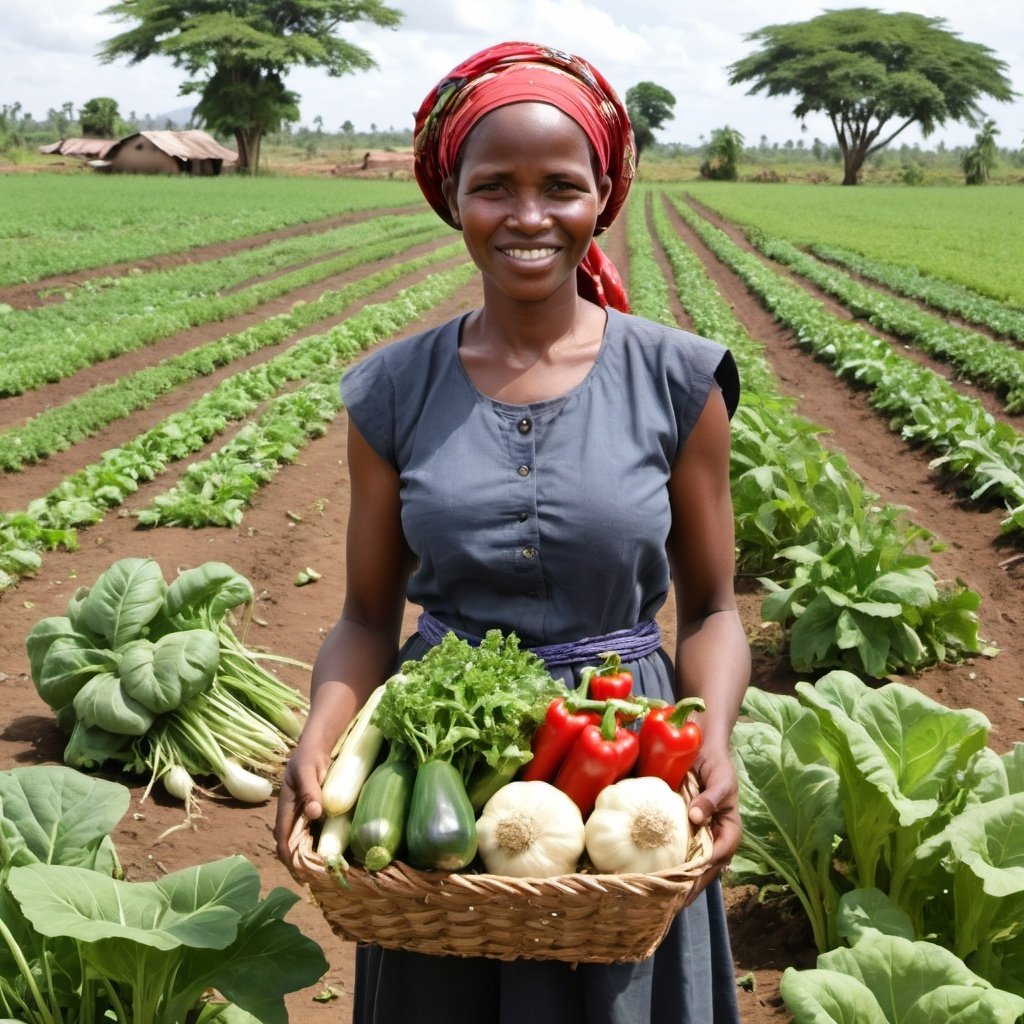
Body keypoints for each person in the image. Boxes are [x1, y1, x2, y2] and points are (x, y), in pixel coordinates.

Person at [275, 40, 750, 1024]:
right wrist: (321, 736)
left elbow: (709, 606)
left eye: (560, 187)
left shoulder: (678, 380)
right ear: (452, 196)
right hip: (441, 761)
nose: (529, 217)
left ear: (603, 196)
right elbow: (367, 614)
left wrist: (710, 734)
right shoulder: (393, 390)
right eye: (495, 186)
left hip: (626, 758)